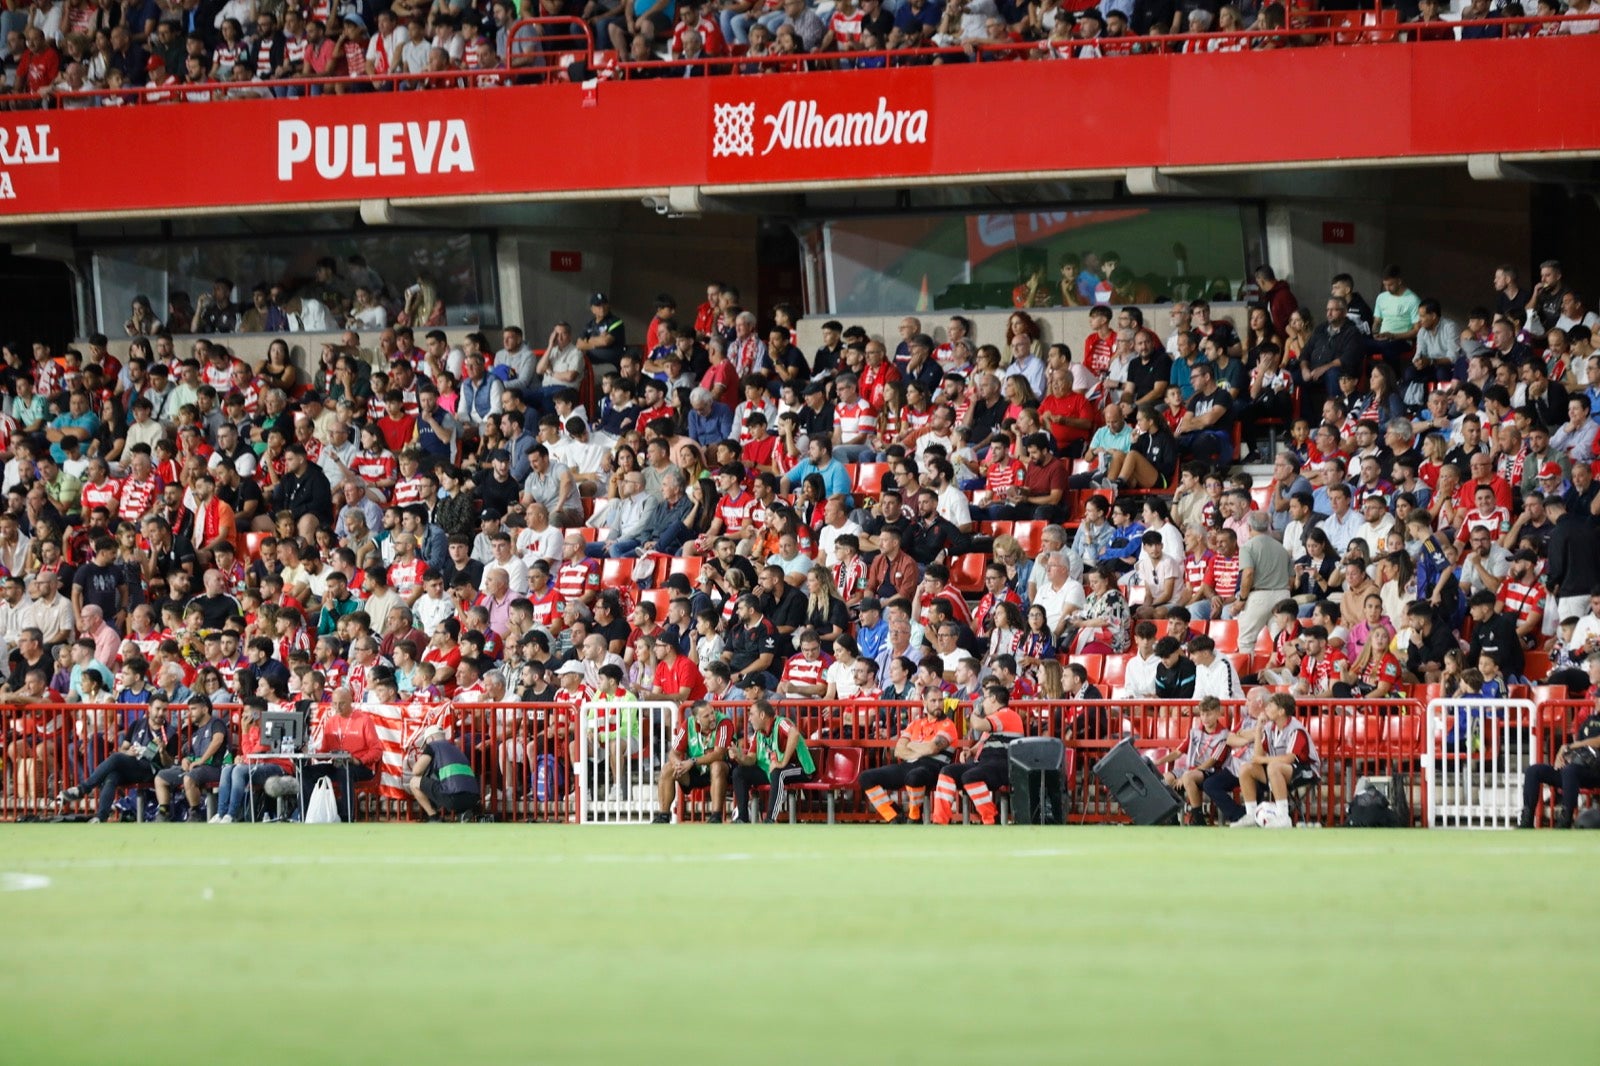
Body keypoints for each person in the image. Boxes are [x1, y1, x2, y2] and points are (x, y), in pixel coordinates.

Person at [55, 695, 178, 822]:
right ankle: (100, 817)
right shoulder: (137, 724)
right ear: (149, 708)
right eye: (158, 709)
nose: (161, 713)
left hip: (151, 770)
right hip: (132, 765)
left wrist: (163, 752)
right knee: (112, 776)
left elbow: (168, 765)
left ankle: (83, 789)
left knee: (116, 758)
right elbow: (123, 748)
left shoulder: (170, 733)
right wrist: (128, 752)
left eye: (164, 710)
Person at [860, 688, 961, 823]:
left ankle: (915, 815)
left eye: (940, 700)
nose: (938, 704)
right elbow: (898, 750)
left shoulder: (948, 724)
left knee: (914, 777)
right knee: (866, 777)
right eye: (933, 701)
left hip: (934, 766)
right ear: (924, 702)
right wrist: (920, 748)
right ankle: (893, 815)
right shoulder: (915, 723)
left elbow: (932, 748)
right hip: (909, 763)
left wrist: (911, 745)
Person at [931, 683, 1024, 826]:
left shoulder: (1007, 714)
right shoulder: (994, 719)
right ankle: (940, 820)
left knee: (971, 777)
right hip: (986, 763)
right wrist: (971, 751)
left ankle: (991, 818)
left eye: (984, 698)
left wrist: (976, 710)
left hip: (1004, 765)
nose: (982, 702)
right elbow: (983, 741)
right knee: (947, 772)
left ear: (993, 699)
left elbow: (977, 725)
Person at [1230, 692, 1319, 829]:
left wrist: (1262, 759)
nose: (1266, 708)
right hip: (1280, 769)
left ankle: (1283, 817)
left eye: (1270, 706)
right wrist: (1259, 729)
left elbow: (1289, 758)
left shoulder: (1296, 729)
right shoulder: (1270, 727)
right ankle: (1252, 815)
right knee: (1246, 768)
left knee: (1273, 767)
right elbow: (1258, 755)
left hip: (1306, 770)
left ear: (1281, 711)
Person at [727, 697, 815, 823]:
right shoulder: (759, 733)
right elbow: (751, 759)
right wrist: (739, 757)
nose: (749, 719)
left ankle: (770, 819)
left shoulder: (781, 722)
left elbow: (794, 733)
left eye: (751, 714)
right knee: (739, 772)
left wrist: (783, 762)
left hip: (800, 768)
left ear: (762, 715)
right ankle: (742, 818)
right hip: (771, 770)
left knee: (778, 772)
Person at [301, 686, 382, 822]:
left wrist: (358, 760)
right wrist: (311, 753)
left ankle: (346, 817)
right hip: (336, 765)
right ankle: (307, 814)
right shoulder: (331, 721)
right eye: (334, 703)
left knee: (345, 771)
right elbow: (325, 752)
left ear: (350, 700)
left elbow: (377, 750)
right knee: (305, 772)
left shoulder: (364, 720)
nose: (337, 707)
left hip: (360, 766)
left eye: (342, 703)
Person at [1520, 698, 1600, 829]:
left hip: (1595, 770)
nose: (1596, 701)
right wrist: (1563, 755)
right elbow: (1576, 747)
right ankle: (1527, 819)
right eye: (1596, 698)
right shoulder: (1589, 721)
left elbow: (1597, 741)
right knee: (1533, 771)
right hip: (1577, 767)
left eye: (1599, 698)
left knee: (1570, 770)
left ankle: (1565, 820)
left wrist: (1569, 746)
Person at [653, 699, 732, 823]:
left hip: (722, 770)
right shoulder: (688, 724)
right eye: (707, 716)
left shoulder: (724, 722)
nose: (712, 718)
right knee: (668, 768)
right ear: (697, 719)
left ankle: (715, 816)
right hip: (695, 770)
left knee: (717, 766)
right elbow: (673, 753)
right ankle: (663, 816)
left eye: (712, 713)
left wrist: (692, 761)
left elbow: (719, 754)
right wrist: (678, 764)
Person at [1155, 696, 1231, 825]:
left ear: (1218, 713)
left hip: (1210, 771)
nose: (1205, 718)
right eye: (1202, 714)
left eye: (1209, 714)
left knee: (1188, 777)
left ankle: (1198, 819)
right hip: (1190, 769)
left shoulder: (1224, 735)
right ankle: (1172, 819)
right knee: (1165, 779)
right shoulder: (1194, 732)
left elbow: (1211, 761)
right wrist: (1157, 762)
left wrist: (1184, 777)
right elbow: (1177, 753)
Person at [153, 694, 228, 822]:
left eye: (193, 709)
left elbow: (217, 740)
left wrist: (201, 760)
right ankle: (163, 812)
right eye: (189, 709)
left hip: (215, 768)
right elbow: (191, 755)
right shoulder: (196, 731)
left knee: (189, 778)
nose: (190, 713)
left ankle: (195, 812)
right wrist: (185, 760)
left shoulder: (216, 723)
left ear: (204, 710)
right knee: (160, 777)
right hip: (196, 768)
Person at [408, 724, 482, 822]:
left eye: (425, 743)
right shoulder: (456, 748)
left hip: (453, 798)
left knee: (414, 782)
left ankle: (434, 817)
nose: (426, 746)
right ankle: (463, 813)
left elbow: (416, 771)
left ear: (431, 738)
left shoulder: (432, 746)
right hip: (473, 798)